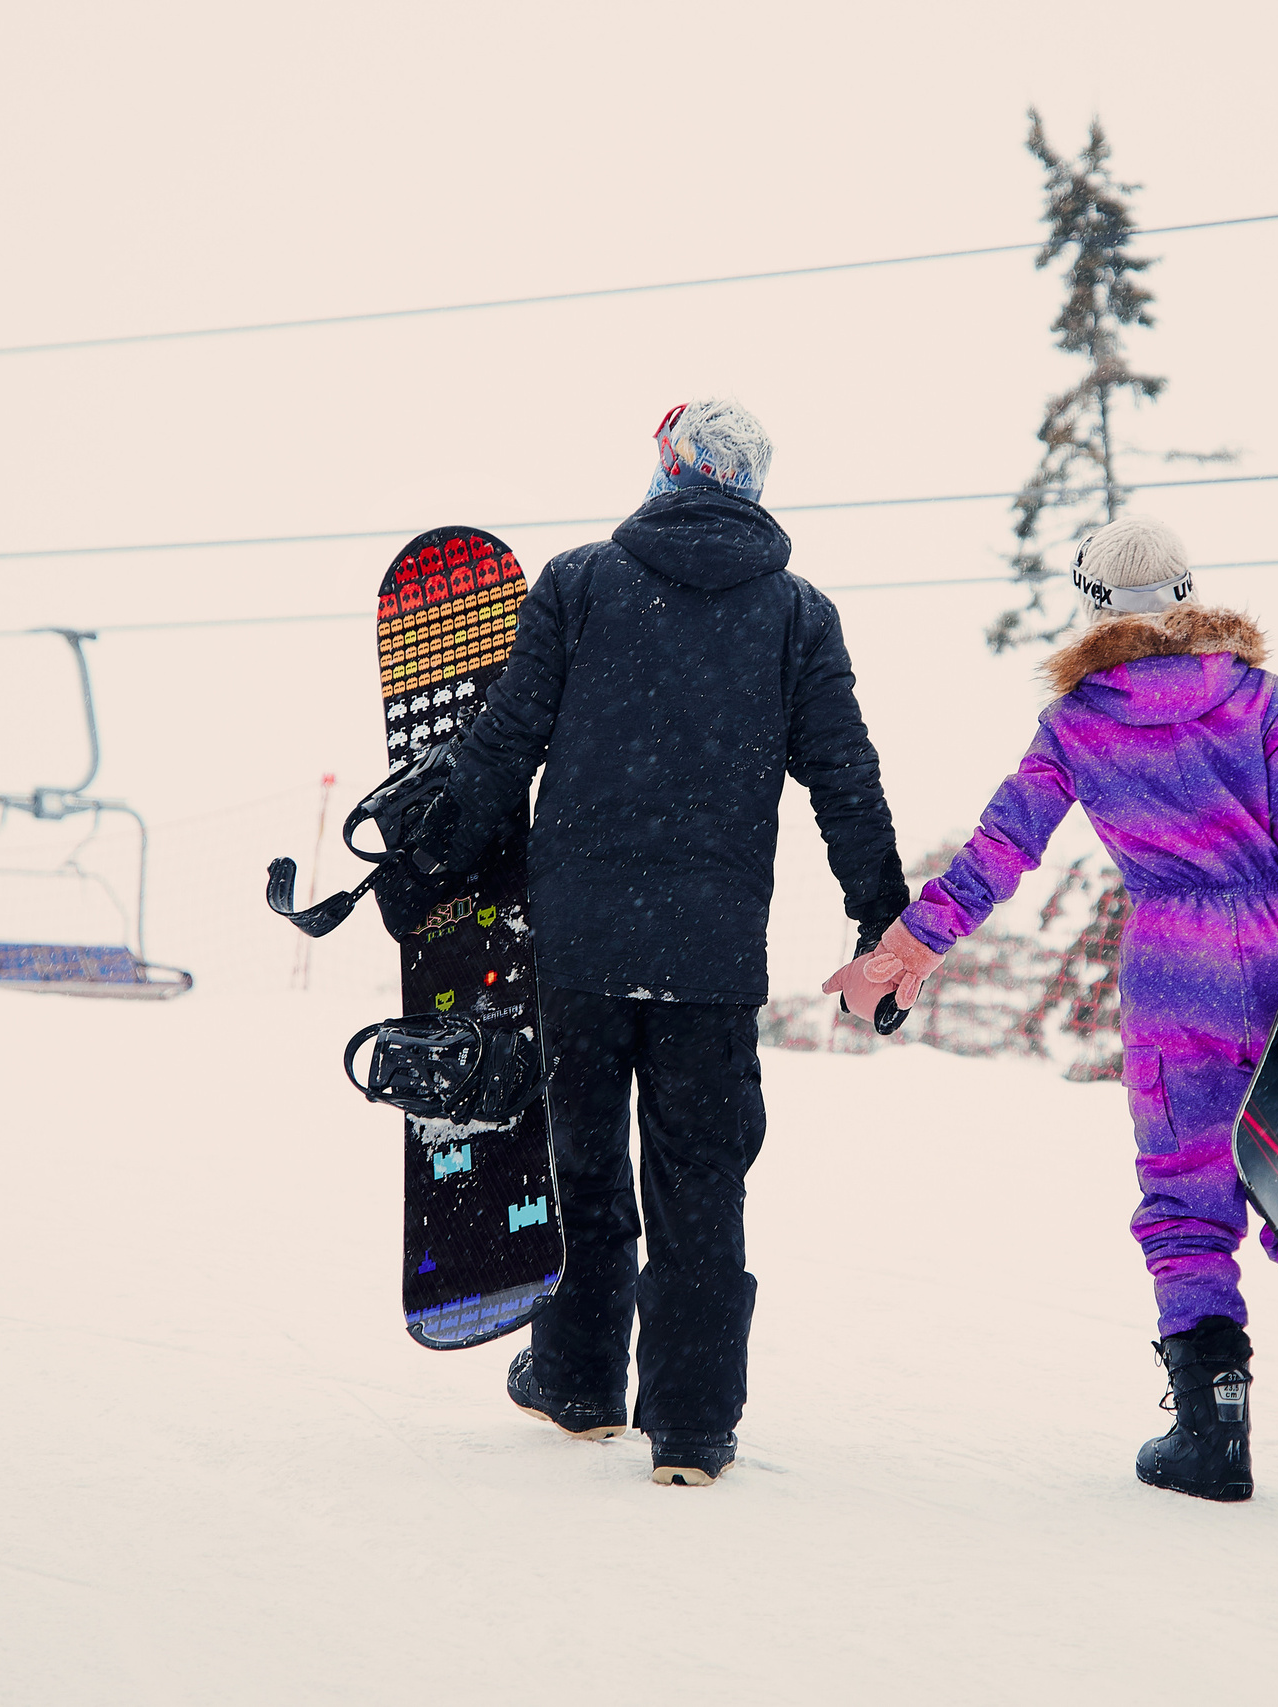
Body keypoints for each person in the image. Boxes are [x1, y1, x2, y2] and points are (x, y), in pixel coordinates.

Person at [823, 514, 1278, 1501]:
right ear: (1189, 595)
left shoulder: (1077, 720)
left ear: (1094, 607)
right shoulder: (1259, 697)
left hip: (1174, 968)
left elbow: (1001, 849)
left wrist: (907, 947)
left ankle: (1212, 1427)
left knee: (1187, 1187)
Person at [434, 399, 907, 1487]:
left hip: (583, 938)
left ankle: (582, 1380)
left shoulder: (581, 582)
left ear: (673, 468)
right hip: (709, 955)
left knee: (581, 1160)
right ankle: (691, 1428)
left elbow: (508, 739)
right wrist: (881, 917)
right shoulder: (796, 614)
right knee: (702, 1179)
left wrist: (444, 859)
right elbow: (845, 775)